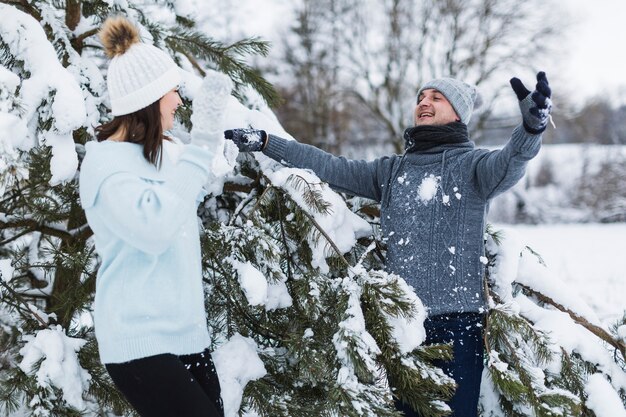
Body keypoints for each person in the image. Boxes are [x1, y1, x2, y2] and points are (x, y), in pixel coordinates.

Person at [224, 73, 552, 416]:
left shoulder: (473, 167)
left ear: (458, 113)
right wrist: (265, 142)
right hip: (403, 325)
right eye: (420, 97)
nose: (423, 103)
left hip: (458, 325)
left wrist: (531, 128)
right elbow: (329, 166)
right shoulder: (393, 171)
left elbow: (512, 161)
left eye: (436, 98)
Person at [79, 16, 224, 417]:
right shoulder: (105, 165)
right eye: (172, 90)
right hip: (138, 341)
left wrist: (216, 141)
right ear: (149, 99)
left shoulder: (165, 153)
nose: (179, 99)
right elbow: (155, 229)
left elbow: (194, 183)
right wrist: (202, 145)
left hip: (188, 335)